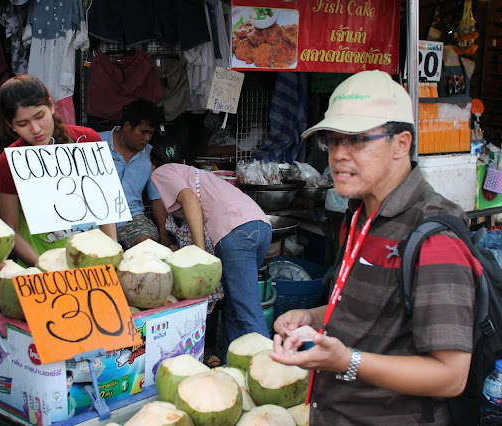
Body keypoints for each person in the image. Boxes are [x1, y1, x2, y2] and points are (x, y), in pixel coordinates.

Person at [271, 70, 479, 425]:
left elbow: (451, 376)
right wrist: (313, 317)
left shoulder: (432, 236)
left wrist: (347, 361)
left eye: (357, 140)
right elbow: (369, 312)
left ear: (401, 143)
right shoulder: (359, 214)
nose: (339, 155)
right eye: (333, 141)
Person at [150, 142, 271, 349]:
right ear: (185, 161)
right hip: (261, 226)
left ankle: (272, 374)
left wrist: (200, 252)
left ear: (152, 166)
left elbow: (189, 199)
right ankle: (230, 367)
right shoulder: (197, 174)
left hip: (235, 231)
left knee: (247, 314)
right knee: (234, 307)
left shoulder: (162, 171)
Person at [0, 74, 107, 267]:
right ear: (10, 125)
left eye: (40, 116)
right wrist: (43, 266)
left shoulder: (87, 140)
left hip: (93, 259)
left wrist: (110, 250)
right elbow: (11, 228)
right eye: (22, 124)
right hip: (39, 266)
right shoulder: (8, 161)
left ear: (51, 105)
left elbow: (106, 209)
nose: (36, 129)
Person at [97, 99, 169, 249]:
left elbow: (157, 198)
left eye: (150, 133)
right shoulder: (95, 142)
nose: (147, 138)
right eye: (143, 132)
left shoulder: (150, 154)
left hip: (132, 218)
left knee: (147, 247)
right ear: (128, 126)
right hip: (94, 216)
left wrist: (163, 231)